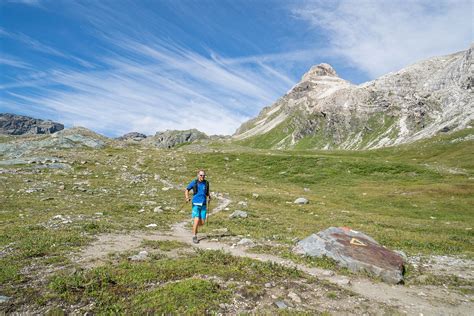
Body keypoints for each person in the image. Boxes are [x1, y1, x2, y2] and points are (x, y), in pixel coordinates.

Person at [185, 169, 211, 243]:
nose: (202, 176)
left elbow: (207, 192)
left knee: (202, 222)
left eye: (203, 175)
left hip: (203, 204)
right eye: (201, 175)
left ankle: (194, 228)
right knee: (196, 220)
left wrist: (209, 197)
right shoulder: (194, 182)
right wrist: (187, 198)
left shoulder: (206, 183)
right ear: (198, 175)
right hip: (195, 204)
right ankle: (194, 236)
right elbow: (187, 190)